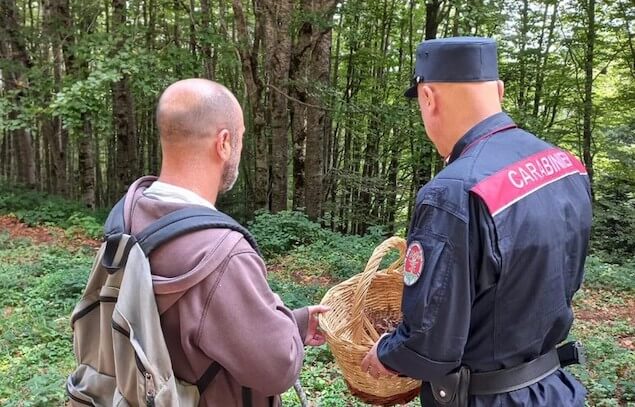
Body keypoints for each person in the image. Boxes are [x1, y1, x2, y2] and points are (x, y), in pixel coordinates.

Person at [361, 37, 592, 406]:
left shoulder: (454, 191)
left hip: (485, 398)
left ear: (428, 98)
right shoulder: (564, 165)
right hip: (553, 390)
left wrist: (387, 354)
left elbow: (430, 342)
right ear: (498, 91)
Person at [123, 78, 329, 406]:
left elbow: (194, 322)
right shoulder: (223, 254)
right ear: (223, 143)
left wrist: (298, 321)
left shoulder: (129, 216)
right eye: (240, 138)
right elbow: (279, 368)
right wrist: (286, 330)